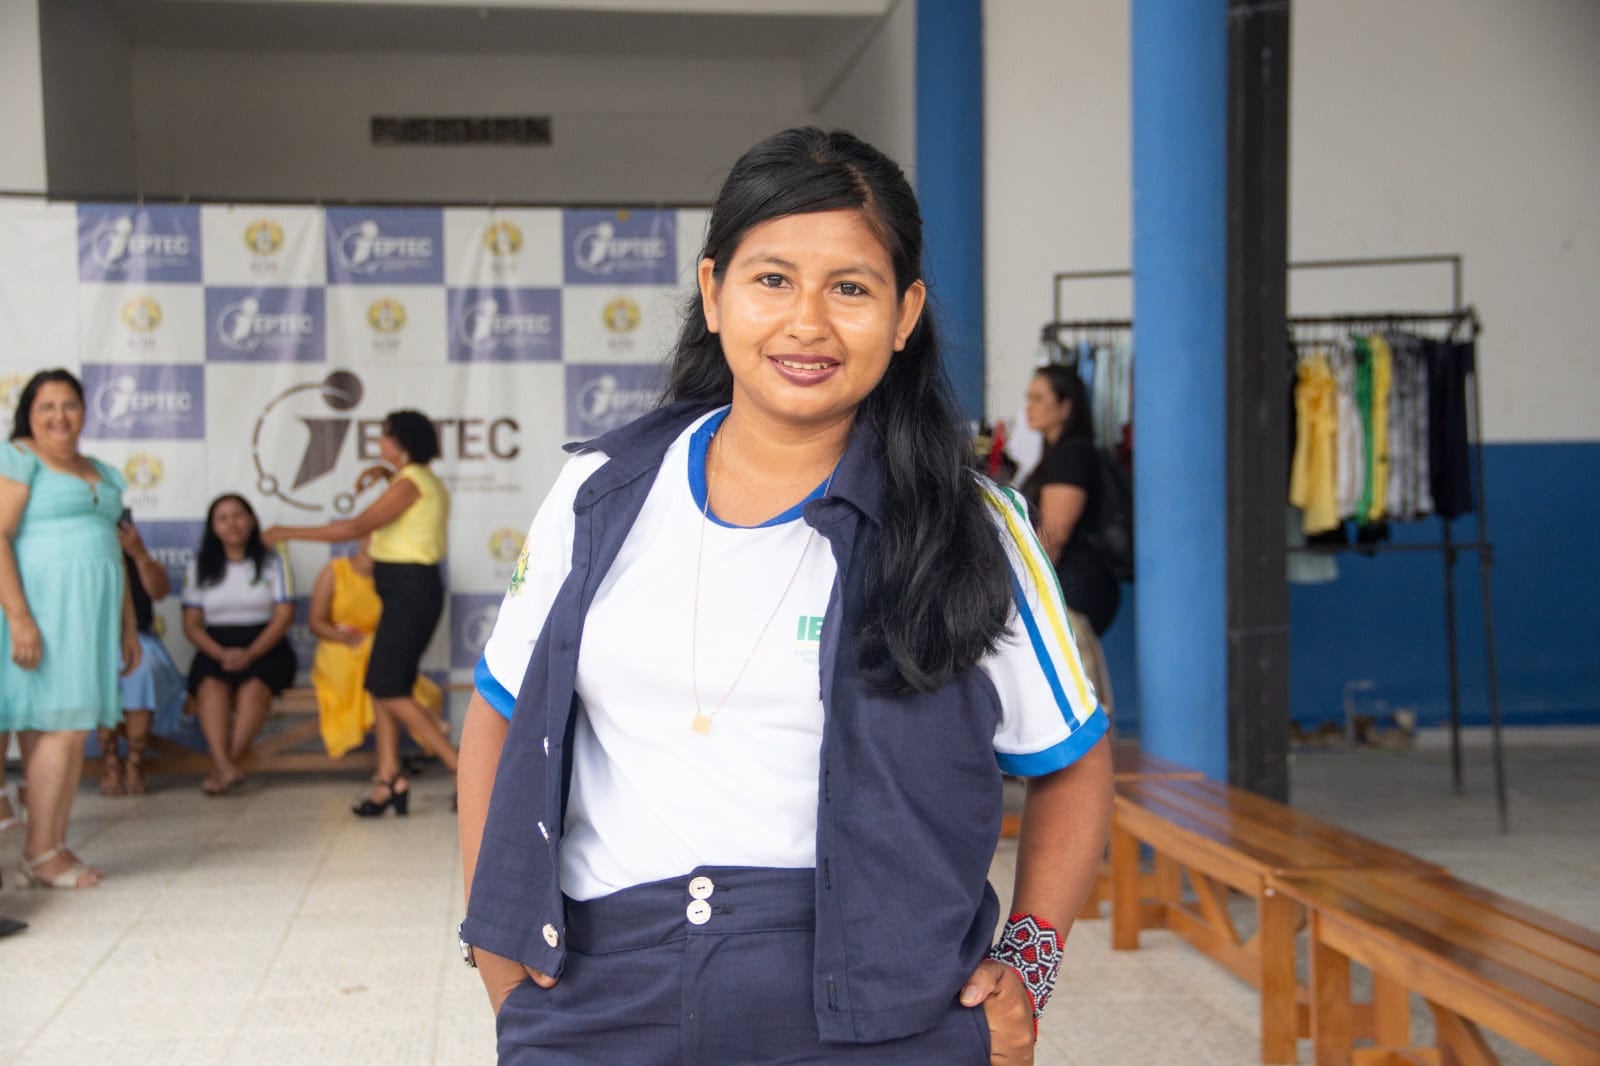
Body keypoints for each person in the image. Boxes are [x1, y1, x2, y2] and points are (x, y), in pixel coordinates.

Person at [458, 128, 1112, 1063]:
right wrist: (500, 961)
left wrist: (1030, 965)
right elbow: (498, 715)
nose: (807, 323)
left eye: (850, 288)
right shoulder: (598, 494)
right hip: (604, 1004)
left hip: (884, 1017)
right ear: (713, 292)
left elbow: (1073, 760)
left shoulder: (973, 526)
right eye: (772, 279)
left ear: (905, 312)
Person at [265, 410, 458, 816]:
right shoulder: (418, 480)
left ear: (401, 442)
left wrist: (286, 532)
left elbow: (355, 527)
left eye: (385, 437)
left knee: (391, 688)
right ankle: (388, 779)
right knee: (382, 685)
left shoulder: (411, 482)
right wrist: (383, 474)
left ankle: (463, 770)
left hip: (410, 593)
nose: (379, 444)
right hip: (405, 593)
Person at [0, 368, 140, 888]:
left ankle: (51, 846)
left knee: (70, 728)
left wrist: (129, 627)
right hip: (43, 611)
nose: (59, 416)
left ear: (84, 411)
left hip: (91, 616)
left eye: (70, 405)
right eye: (46, 406)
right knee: (57, 728)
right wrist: (19, 617)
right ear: (29, 414)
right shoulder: (19, 457)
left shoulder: (101, 470)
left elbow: (114, 556)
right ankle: (40, 853)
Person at [306, 535, 444, 808]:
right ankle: (445, 755)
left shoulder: (392, 578)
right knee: (385, 683)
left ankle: (388, 777)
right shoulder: (335, 571)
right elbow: (316, 622)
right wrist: (344, 637)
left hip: (375, 648)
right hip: (340, 651)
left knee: (383, 680)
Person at [1018, 364, 1120, 719]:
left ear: (1065, 406)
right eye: (1028, 398)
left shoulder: (1070, 455)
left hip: (1070, 593)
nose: (1029, 407)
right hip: (1069, 591)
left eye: (1038, 398)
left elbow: (1052, 537)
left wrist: (1025, 592)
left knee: (1077, 699)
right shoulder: (1056, 454)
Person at [181, 494, 295, 796]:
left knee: (254, 688)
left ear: (252, 520)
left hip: (266, 644)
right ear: (213, 527)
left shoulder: (274, 562)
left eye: (239, 515)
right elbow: (191, 624)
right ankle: (225, 765)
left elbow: (283, 615)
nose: (232, 524)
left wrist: (251, 653)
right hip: (215, 645)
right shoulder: (199, 566)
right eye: (222, 518)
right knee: (210, 687)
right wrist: (221, 653)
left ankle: (223, 767)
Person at [98, 514, 186, 796]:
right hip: (95, 644)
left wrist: (139, 554)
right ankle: (110, 762)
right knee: (100, 673)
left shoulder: (137, 556)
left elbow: (159, 591)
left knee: (141, 670)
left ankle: (135, 762)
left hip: (140, 641)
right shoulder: (83, 560)